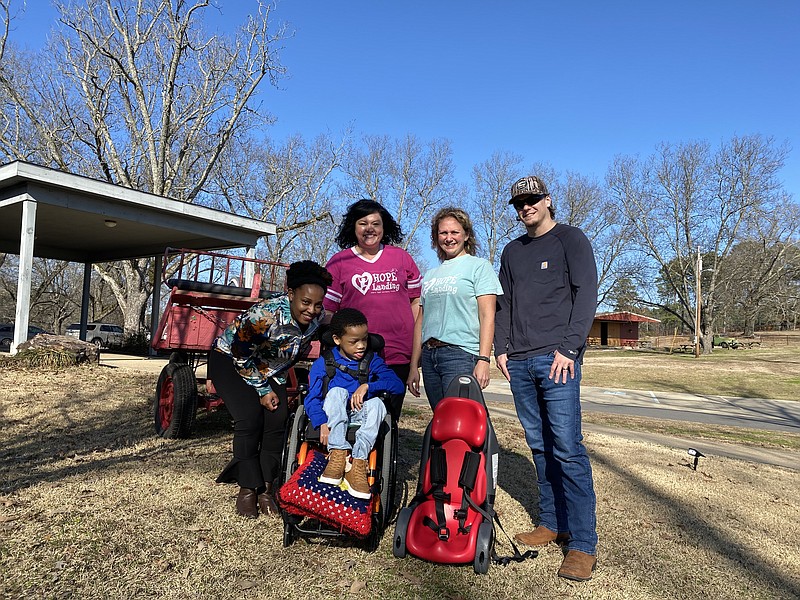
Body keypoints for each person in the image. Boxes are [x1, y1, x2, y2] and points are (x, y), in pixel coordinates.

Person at [494, 175, 599, 582]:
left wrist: (569, 348)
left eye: (532, 200)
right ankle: (551, 522)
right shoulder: (511, 251)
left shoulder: (571, 240)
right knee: (539, 445)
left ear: (547, 200)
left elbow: (586, 293)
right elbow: (503, 304)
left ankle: (582, 544)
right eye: (519, 203)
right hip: (518, 361)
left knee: (568, 448)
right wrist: (501, 349)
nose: (526, 208)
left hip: (558, 359)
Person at [209, 260, 332, 519]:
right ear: (291, 294)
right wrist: (263, 391)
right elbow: (240, 356)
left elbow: (331, 320)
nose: (311, 310)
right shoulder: (264, 316)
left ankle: (266, 487)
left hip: (269, 367)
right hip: (230, 361)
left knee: (277, 422)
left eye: (317, 304)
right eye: (305, 302)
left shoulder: (317, 317)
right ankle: (247, 489)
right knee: (250, 418)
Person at [324, 199, 422, 421]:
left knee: (389, 416)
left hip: (398, 353)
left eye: (376, 223)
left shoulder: (402, 258)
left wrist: (416, 347)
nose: (370, 229)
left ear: (384, 227)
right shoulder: (339, 262)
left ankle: (386, 455)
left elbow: (417, 302)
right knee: (356, 415)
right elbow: (328, 312)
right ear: (353, 227)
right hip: (355, 355)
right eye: (363, 223)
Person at [406, 207, 503, 409]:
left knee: (461, 420)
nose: (449, 238)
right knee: (442, 421)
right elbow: (421, 322)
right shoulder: (431, 275)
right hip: (430, 355)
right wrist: (414, 365)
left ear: (466, 235)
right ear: (436, 237)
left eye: (454, 232)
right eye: (443, 233)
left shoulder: (479, 267)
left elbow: (487, 317)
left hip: (460, 355)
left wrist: (484, 359)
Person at [304, 308, 404, 499]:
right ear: (337, 339)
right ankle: (338, 452)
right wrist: (321, 422)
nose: (361, 346)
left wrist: (368, 385)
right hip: (332, 414)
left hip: (359, 415)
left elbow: (397, 386)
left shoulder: (371, 360)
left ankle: (358, 461)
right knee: (337, 392)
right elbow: (312, 398)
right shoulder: (324, 363)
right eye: (354, 341)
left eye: (364, 339)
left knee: (377, 404)